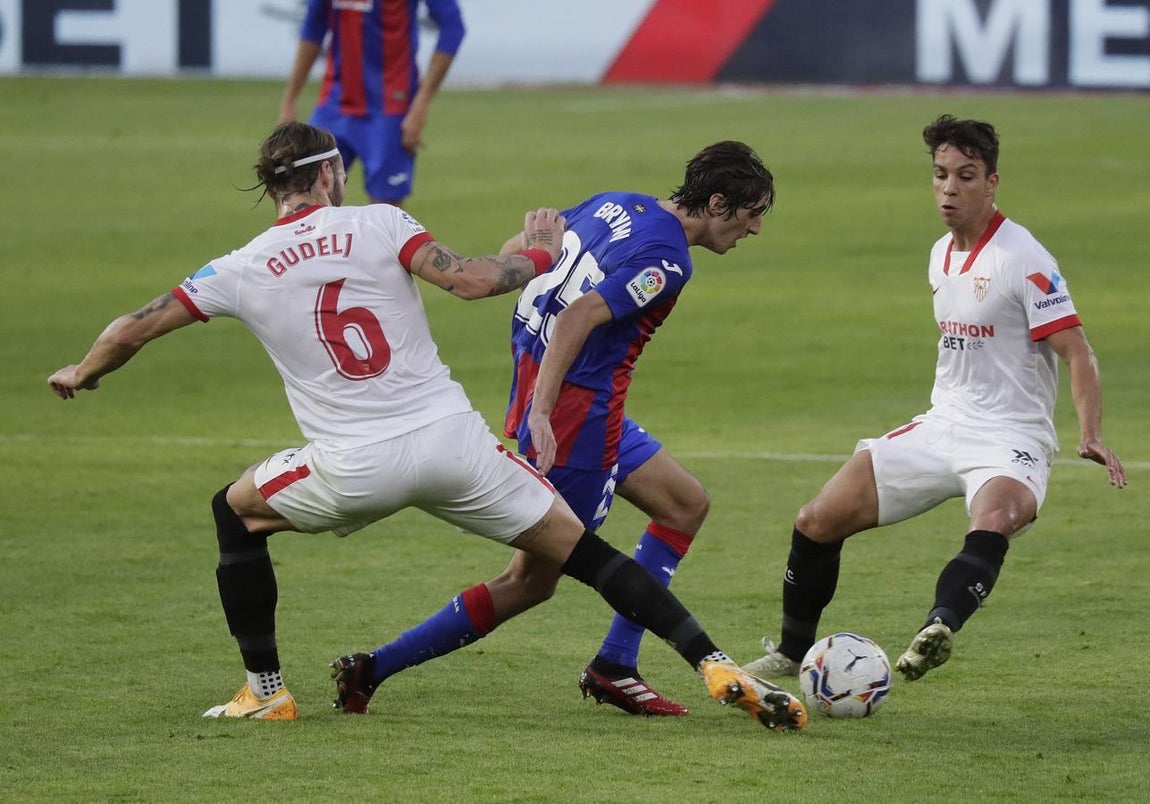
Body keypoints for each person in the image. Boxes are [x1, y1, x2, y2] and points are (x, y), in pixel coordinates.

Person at [47, 121, 806, 732]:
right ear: (328, 175)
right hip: (489, 436)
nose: (756, 231)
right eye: (753, 216)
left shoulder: (238, 266)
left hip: (364, 460)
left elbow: (135, 326)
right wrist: (539, 315)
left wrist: (83, 370)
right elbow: (490, 280)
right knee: (567, 565)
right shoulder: (382, 222)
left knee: (235, 512)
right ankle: (699, 664)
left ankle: (267, 689)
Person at [343, 141, 776, 716]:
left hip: (562, 393)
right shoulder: (668, 262)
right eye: (752, 215)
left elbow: (518, 252)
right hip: (575, 415)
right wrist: (545, 412)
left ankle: (616, 664)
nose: (755, 230)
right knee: (530, 581)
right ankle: (372, 667)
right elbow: (578, 315)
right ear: (718, 203)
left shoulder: (613, 203)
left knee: (684, 504)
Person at [743, 114, 1127, 684]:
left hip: (1011, 436)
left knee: (992, 518)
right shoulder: (939, 254)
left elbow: (1078, 352)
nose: (949, 188)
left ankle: (938, 628)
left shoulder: (1026, 259)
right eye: (941, 174)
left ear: (992, 182)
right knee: (816, 520)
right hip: (942, 424)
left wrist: (1089, 432)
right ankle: (792, 651)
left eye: (965, 176)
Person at [278, 0, 464, 206]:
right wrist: (290, 100)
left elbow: (453, 26)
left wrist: (421, 103)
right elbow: (314, 24)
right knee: (303, 200)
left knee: (384, 215)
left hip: (391, 110)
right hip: (334, 105)